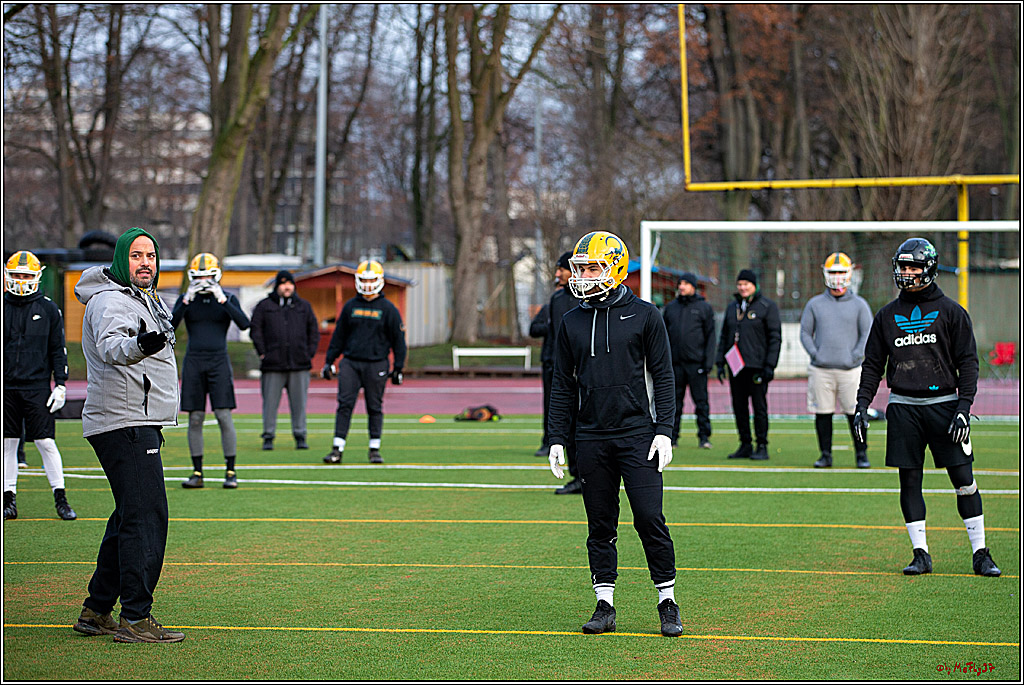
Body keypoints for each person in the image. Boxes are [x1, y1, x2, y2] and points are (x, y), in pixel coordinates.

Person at [547, 230, 682, 638]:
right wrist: (556, 436)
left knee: (649, 518)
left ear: (617, 268)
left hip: (637, 432)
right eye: (581, 267)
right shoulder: (570, 319)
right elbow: (561, 384)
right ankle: (604, 603)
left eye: (592, 267)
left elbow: (663, 376)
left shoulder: (645, 315)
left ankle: (667, 601)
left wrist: (665, 431)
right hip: (589, 436)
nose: (584, 274)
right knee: (600, 524)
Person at [854, 237, 999, 577]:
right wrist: (862, 403)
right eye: (903, 267)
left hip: (945, 406)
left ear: (929, 268)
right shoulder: (887, 315)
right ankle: (920, 554)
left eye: (914, 266)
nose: (907, 273)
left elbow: (968, 363)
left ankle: (981, 553)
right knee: (909, 482)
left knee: (964, 479)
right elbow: (873, 364)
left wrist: (964, 406)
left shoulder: (952, 312)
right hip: (904, 407)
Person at [72, 227, 185, 643]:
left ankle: (98, 609)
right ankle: (136, 618)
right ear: (122, 260)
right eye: (136, 255)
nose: (145, 263)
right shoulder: (110, 301)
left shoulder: (144, 299)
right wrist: (145, 342)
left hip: (137, 420)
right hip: (124, 422)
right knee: (147, 517)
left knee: (128, 516)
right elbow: (113, 348)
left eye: (151, 256)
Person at [3, 250, 77, 521]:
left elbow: (58, 349)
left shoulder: (48, 309)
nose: (21, 280)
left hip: (37, 387)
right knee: (8, 443)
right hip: (7, 387)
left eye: (26, 275)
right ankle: (8, 501)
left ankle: (61, 499)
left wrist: (61, 384)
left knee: (46, 442)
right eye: (17, 275)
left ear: (36, 278)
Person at [171, 253, 251, 489]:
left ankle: (230, 471)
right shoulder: (186, 299)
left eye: (207, 276)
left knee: (224, 416)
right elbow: (171, 327)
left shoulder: (226, 297)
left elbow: (245, 324)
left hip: (219, 361)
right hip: (194, 361)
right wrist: (186, 301)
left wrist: (223, 300)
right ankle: (197, 472)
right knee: (195, 418)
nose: (204, 281)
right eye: (199, 276)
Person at [321, 260, 407, 465]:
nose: (368, 285)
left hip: (377, 363)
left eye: (371, 280)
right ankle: (337, 448)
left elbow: (399, 341)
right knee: (344, 404)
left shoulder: (389, 309)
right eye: (364, 280)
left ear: (380, 281)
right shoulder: (351, 306)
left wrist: (398, 368)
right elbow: (338, 337)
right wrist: (329, 361)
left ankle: (374, 448)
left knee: (374, 406)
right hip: (351, 362)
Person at [800, 252, 873, 469]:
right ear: (825, 273)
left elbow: (867, 333)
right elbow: (805, 332)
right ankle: (825, 455)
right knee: (823, 414)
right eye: (833, 272)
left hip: (851, 371)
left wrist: (856, 355)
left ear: (849, 273)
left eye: (841, 272)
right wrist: (815, 353)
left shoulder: (860, 304)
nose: (837, 276)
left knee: (855, 414)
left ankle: (861, 454)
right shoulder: (814, 304)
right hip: (821, 370)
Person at [529, 251, 581, 494]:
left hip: (585, 372)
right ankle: (578, 476)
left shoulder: (588, 298)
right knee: (561, 417)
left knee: (586, 425)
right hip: (559, 368)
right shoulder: (557, 301)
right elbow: (536, 329)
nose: (557, 273)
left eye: (562, 268)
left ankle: (592, 477)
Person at [715, 269, 781, 461]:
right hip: (736, 367)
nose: (742, 287)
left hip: (757, 367)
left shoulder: (767, 307)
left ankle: (762, 445)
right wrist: (720, 362)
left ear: (754, 285)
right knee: (739, 406)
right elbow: (725, 336)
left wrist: (770, 365)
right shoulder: (732, 307)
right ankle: (745, 444)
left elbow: (775, 337)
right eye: (740, 284)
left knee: (759, 407)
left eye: (746, 284)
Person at [250, 270, 319, 451]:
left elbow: (314, 331)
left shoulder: (304, 306)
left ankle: (300, 435)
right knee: (270, 404)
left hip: (299, 364)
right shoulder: (264, 306)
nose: (287, 287)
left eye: (289, 283)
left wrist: (308, 353)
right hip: (273, 365)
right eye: (283, 284)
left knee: (299, 404)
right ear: (277, 286)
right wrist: (263, 353)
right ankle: (268, 436)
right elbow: (255, 330)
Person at [661, 272, 716, 449]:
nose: (682, 286)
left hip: (696, 365)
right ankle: (672, 438)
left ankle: (704, 437)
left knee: (701, 403)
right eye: (680, 283)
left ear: (693, 286)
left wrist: (707, 363)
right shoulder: (671, 308)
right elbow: (662, 336)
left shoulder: (704, 308)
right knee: (673, 403)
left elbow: (710, 337)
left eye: (685, 283)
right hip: (675, 365)